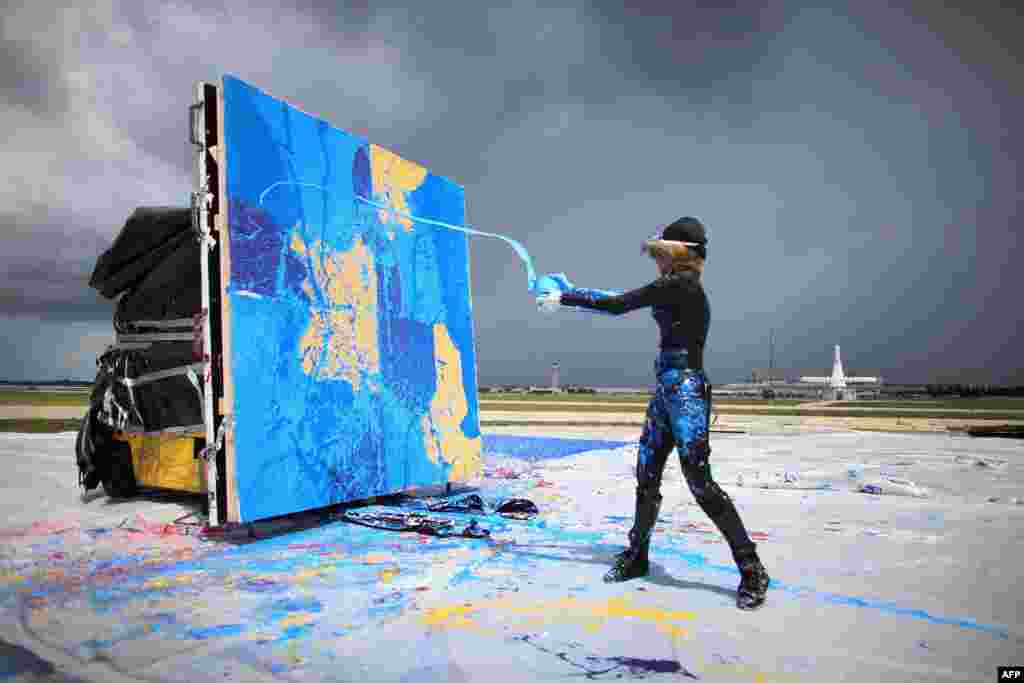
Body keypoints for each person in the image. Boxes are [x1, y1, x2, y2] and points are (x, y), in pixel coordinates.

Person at [536, 217, 770, 610]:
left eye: (660, 254)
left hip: (687, 391)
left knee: (700, 484)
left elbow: (618, 304)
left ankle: (752, 569)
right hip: (668, 388)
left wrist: (564, 298)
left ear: (675, 255)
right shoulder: (673, 288)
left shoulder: (679, 285)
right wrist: (571, 289)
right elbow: (623, 297)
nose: (656, 262)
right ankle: (637, 555)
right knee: (647, 475)